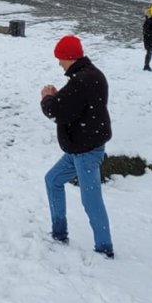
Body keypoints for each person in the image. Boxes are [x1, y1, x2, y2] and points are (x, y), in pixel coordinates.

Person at [40, 34, 114, 259]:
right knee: (53, 180)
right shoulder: (91, 75)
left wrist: (47, 98)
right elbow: (76, 105)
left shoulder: (82, 80)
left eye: (60, 58)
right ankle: (59, 232)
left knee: (91, 200)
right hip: (78, 148)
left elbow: (58, 112)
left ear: (69, 57)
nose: (59, 63)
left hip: (86, 151)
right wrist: (58, 95)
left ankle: (104, 248)